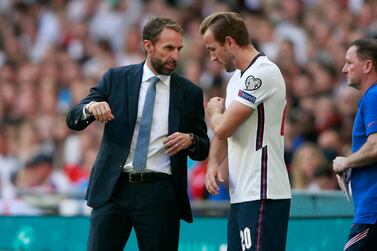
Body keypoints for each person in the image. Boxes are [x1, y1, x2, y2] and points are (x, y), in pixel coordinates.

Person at [66, 17, 210, 251]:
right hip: (114, 189)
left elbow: (203, 146)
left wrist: (190, 140)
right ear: (148, 45)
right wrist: (90, 108)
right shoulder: (116, 78)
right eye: (168, 48)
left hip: (160, 192)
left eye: (179, 49)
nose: (175, 55)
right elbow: (73, 119)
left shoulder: (190, 93)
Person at [200, 12, 291, 251]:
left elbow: (223, 125)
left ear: (229, 42)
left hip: (263, 191)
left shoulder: (262, 73)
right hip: (242, 193)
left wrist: (213, 112)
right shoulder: (236, 80)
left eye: (213, 49)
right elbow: (224, 133)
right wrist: (212, 165)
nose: (212, 58)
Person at [332, 38, 377, 251]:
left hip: (372, 212)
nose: (344, 69)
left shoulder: (374, 96)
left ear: (367, 66)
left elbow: (376, 146)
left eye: (349, 63)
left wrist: (345, 161)